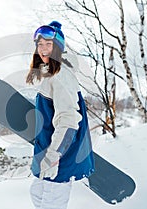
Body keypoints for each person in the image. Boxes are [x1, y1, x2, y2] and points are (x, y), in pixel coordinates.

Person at [26, 21, 95, 209]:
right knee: (37, 193)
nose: (43, 49)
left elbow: (68, 121)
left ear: (58, 47)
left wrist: (53, 156)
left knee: (51, 203)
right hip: (50, 148)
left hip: (60, 154)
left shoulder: (61, 75)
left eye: (49, 44)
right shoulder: (49, 73)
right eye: (40, 44)